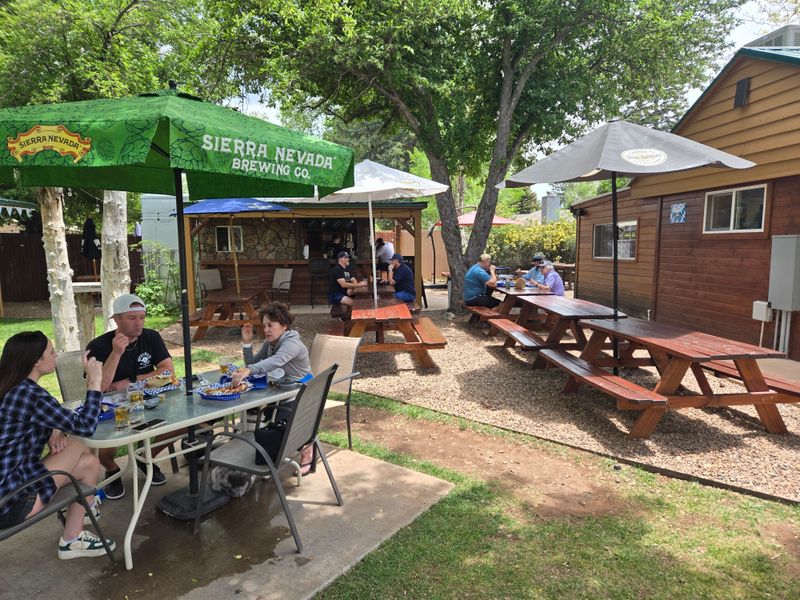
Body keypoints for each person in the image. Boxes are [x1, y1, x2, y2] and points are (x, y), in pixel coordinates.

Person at [0, 331, 116, 559]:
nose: (57, 355)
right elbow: (85, 427)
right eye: (52, 352)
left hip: (10, 483)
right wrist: (94, 381)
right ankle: (88, 506)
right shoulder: (29, 395)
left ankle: (73, 538)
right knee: (79, 442)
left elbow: (47, 415)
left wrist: (55, 429)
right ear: (35, 361)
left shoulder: (12, 387)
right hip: (10, 503)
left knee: (89, 463)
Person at [86, 293, 175, 498]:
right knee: (106, 448)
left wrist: (133, 381)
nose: (139, 323)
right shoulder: (98, 346)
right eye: (132, 318)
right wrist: (116, 353)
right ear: (116, 319)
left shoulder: (151, 337)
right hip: (112, 407)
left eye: (142, 317)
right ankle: (112, 470)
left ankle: (145, 458)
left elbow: (168, 372)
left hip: (149, 399)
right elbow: (99, 387)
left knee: (181, 423)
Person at [230, 303, 315, 474]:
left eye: (271, 325)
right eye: (264, 326)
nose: (266, 330)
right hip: (282, 391)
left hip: (302, 393)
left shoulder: (292, 344)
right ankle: (260, 450)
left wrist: (249, 370)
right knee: (261, 414)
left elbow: (274, 362)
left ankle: (308, 450)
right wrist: (247, 343)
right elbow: (253, 364)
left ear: (283, 325)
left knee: (283, 426)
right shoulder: (270, 343)